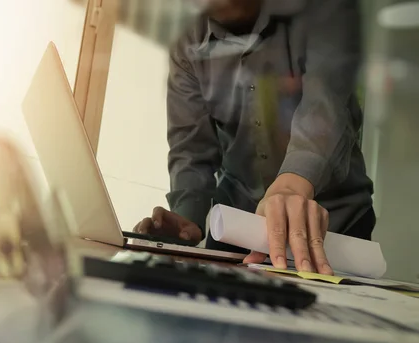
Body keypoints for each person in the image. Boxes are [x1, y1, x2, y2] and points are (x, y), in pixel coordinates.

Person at [134, 0, 375, 275]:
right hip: (238, 227)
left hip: (334, 229)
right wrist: (188, 217)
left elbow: (325, 106)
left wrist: (293, 185)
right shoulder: (188, 47)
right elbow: (191, 150)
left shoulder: (326, 11)